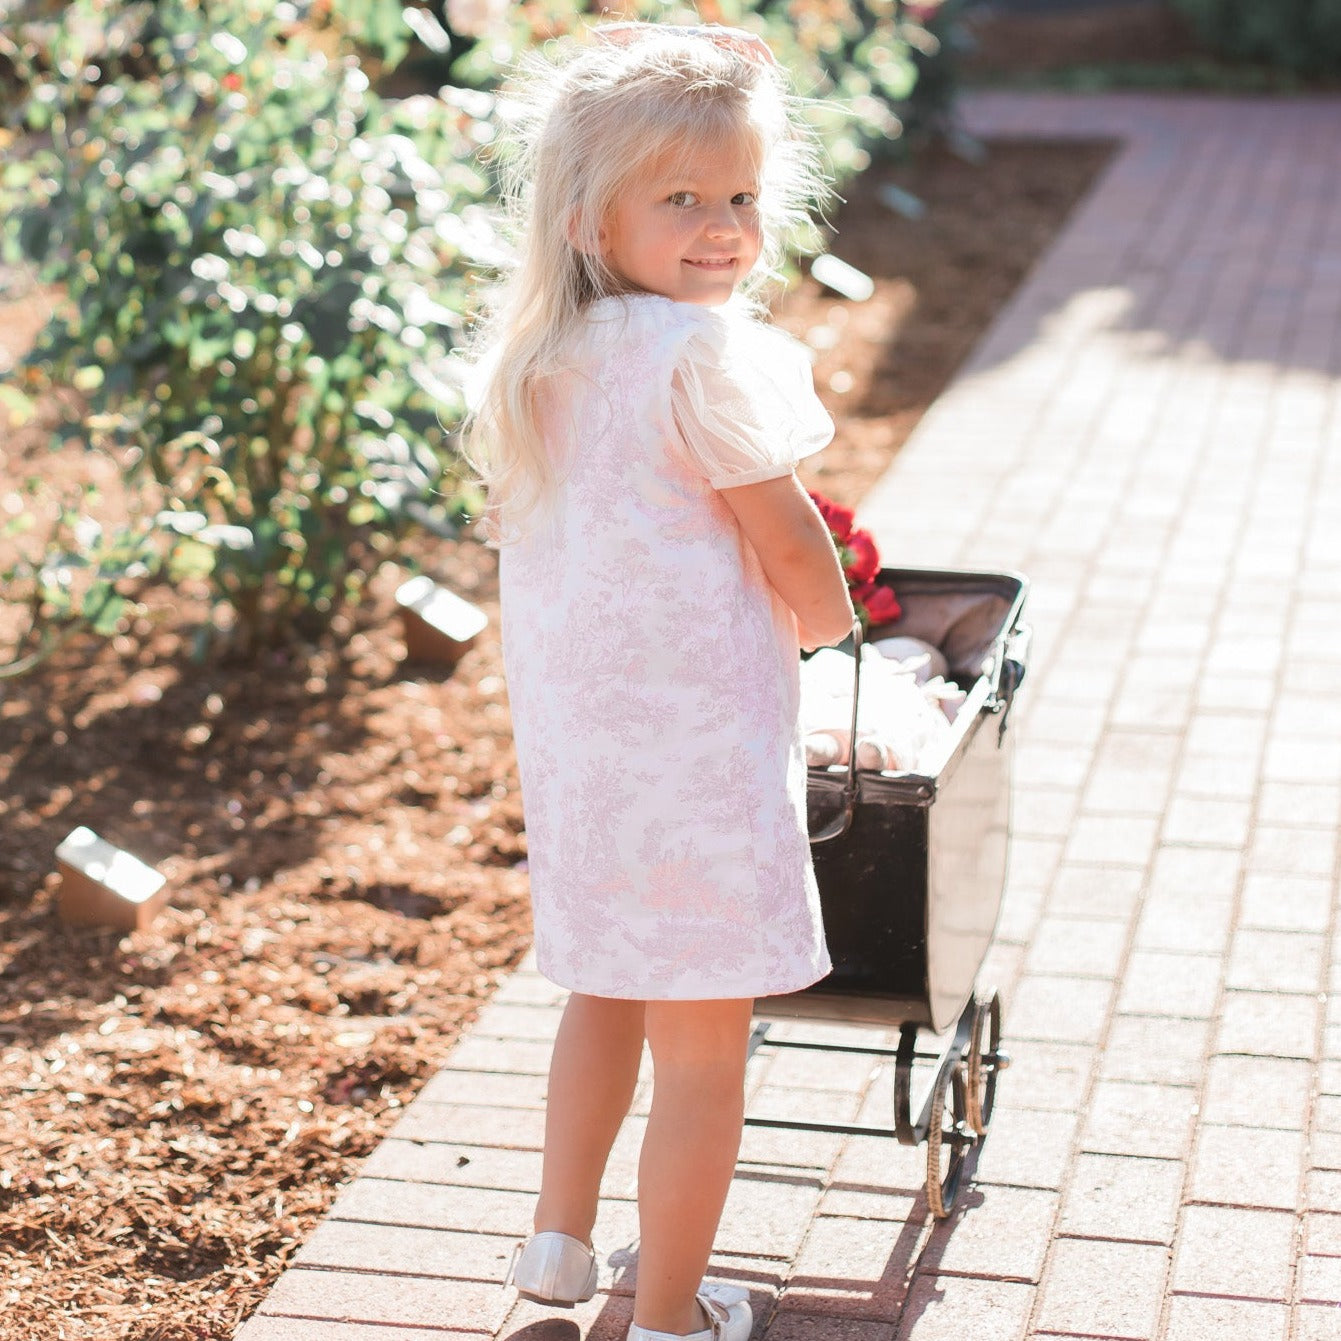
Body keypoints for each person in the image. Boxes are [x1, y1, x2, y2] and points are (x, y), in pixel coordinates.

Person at [463, 20, 855, 1341]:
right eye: (681, 198)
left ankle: (560, 1242)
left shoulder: (544, 361)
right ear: (587, 217)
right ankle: (673, 1312)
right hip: (694, 761)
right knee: (703, 1053)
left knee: (603, 987)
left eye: (739, 196)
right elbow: (785, 535)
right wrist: (828, 625)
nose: (721, 227)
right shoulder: (702, 356)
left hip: (584, 756)